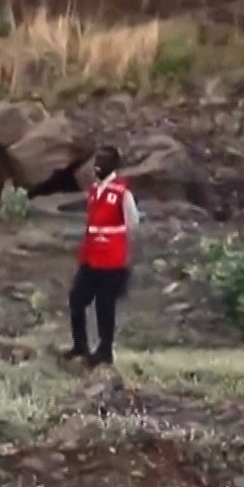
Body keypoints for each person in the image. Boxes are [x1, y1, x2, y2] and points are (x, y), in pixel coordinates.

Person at [65, 146, 139, 370]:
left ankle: (105, 351)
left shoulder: (122, 193)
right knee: (77, 298)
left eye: (103, 161)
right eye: (97, 160)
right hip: (91, 256)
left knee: (105, 305)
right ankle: (80, 346)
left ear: (113, 165)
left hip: (111, 259)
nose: (98, 165)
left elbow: (132, 222)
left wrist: (122, 252)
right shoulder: (95, 190)